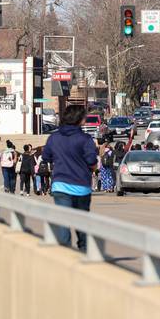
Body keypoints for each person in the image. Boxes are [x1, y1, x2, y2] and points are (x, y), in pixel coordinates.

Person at [41, 105, 98, 251]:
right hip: (81, 187)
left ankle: (65, 252)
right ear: (79, 119)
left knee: (63, 221)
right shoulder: (85, 139)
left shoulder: (54, 138)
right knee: (82, 222)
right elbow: (92, 161)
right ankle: (83, 250)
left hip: (60, 185)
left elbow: (45, 156)